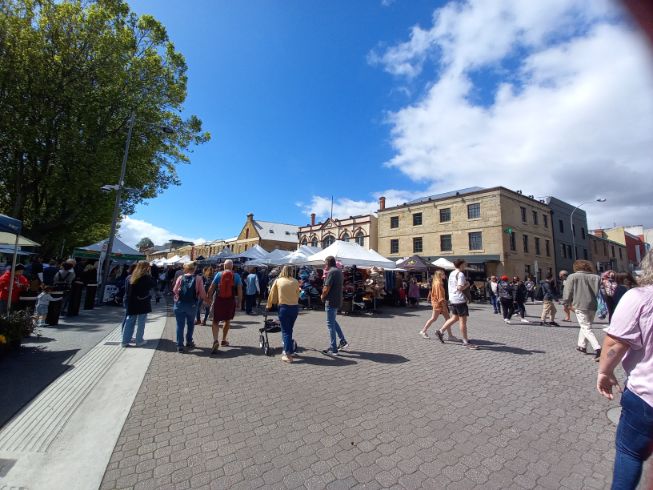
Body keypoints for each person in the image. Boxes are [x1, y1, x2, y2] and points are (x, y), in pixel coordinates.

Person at [596, 250, 653, 489]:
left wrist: (604, 372)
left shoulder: (640, 297)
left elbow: (615, 342)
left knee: (630, 453)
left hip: (646, 396)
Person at [563, 260, 602, 361]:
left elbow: (568, 291)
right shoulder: (596, 277)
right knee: (585, 325)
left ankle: (598, 349)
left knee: (586, 327)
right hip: (593, 305)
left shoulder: (572, 276)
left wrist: (566, 302)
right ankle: (582, 346)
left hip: (580, 304)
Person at [435, 259, 478, 349]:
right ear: (461, 265)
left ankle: (440, 331)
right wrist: (467, 284)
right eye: (465, 264)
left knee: (454, 318)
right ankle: (466, 342)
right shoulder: (461, 274)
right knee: (463, 321)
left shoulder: (452, 273)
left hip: (453, 299)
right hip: (459, 299)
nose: (465, 265)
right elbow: (459, 288)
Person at [206, 259, 242, 354]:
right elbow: (239, 290)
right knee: (227, 320)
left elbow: (212, 287)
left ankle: (215, 340)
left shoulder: (219, 274)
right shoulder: (236, 276)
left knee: (215, 320)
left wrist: (208, 298)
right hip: (230, 300)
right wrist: (239, 302)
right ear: (232, 266)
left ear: (224, 266)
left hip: (219, 299)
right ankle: (224, 339)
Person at [267, 265, 301, 363]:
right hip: (294, 308)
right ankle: (289, 349)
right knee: (289, 330)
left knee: (286, 331)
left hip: (284, 308)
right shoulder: (295, 281)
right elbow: (297, 294)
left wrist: (269, 305)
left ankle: (288, 354)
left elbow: (272, 295)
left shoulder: (278, 281)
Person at [173, 262, 208, 353]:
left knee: (180, 325)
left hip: (180, 304)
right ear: (194, 269)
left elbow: (175, 290)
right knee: (190, 323)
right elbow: (202, 293)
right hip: (192, 305)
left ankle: (179, 345)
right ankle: (189, 341)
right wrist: (206, 300)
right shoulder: (198, 278)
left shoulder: (181, 277)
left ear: (186, 269)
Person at [121, 261, 157, 348]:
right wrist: (150, 274)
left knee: (129, 321)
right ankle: (139, 340)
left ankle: (125, 341)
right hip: (143, 302)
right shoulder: (146, 277)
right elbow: (153, 284)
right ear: (147, 268)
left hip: (131, 302)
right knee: (141, 322)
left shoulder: (130, 277)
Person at [320, 256, 349, 356]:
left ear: (328, 263)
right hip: (337, 300)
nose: (324, 265)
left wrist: (322, 296)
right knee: (333, 322)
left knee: (330, 325)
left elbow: (326, 287)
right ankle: (343, 341)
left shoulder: (331, 272)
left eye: (325, 263)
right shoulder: (339, 271)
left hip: (331, 301)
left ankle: (333, 348)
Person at [420, 270, 457, 341]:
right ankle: (423, 331)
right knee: (434, 318)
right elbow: (440, 296)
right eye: (442, 274)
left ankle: (450, 335)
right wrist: (444, 306)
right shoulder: (438, 283)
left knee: (447, 319)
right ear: (439, 275)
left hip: (439, 303)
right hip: (439, 304)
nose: (444, 275)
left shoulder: (438, 282)